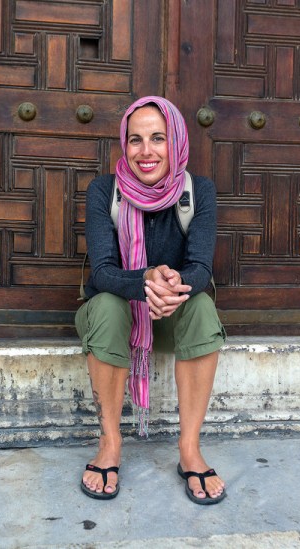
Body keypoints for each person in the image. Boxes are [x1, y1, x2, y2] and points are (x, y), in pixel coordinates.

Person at [75, 96, 226, 505]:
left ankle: (190, 449)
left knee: (202, 306)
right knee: (106, 304)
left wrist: (172, 284)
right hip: (118, 317)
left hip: (169, 314)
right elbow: (103, 272)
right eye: (135, 139)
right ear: (123, 145)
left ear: (175, 141)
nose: (146, 151)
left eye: (158, 138)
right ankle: (109, 442)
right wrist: (144, 281)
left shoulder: (199, 192)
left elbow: (201, 268)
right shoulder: (104, 190)